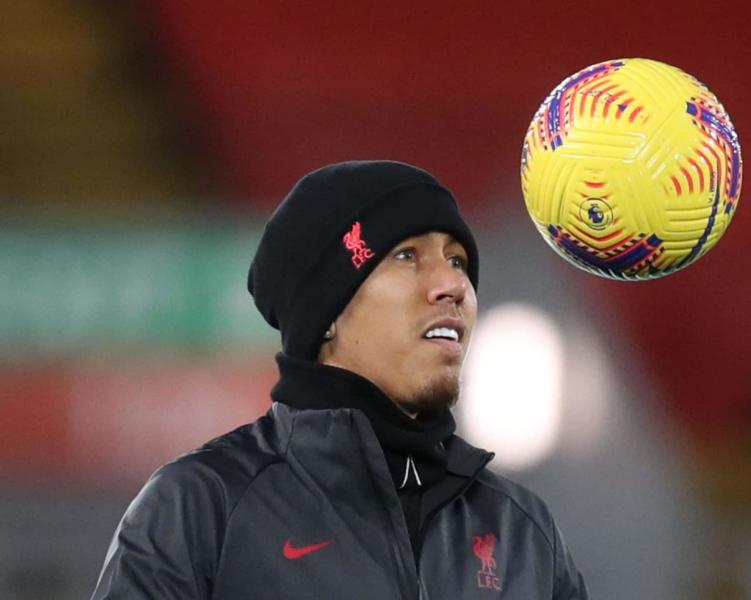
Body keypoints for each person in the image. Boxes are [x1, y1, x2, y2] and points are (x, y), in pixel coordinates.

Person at [91, 161, 588, 599]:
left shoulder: (522, 530)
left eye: (457, 260)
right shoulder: (202, 506)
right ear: (327, 310)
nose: (453, 284)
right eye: (407, 256)